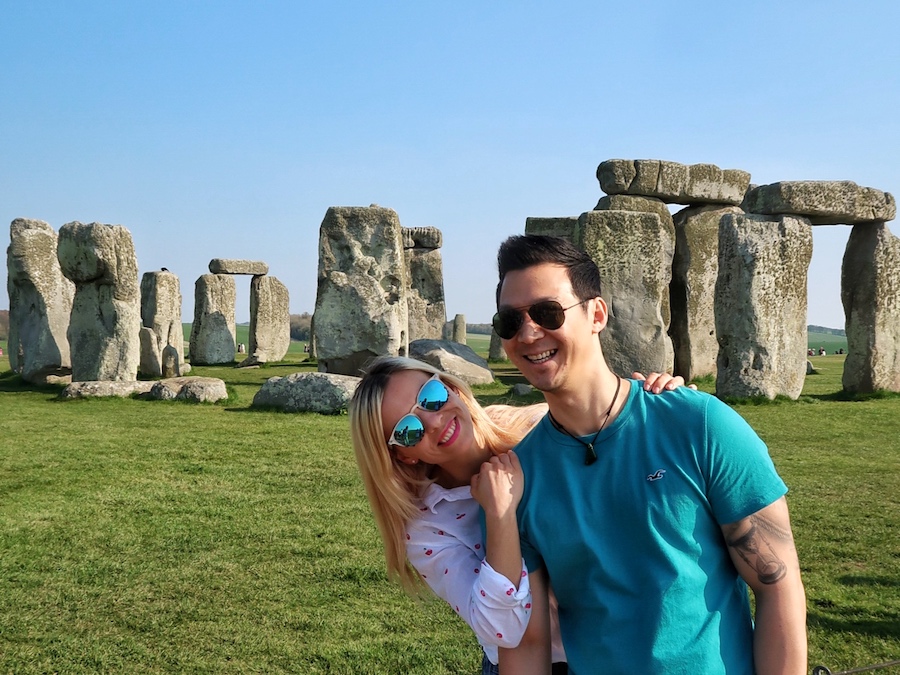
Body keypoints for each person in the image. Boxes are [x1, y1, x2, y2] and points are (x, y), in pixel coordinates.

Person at [489, 235, 807, 675]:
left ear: (596, 314)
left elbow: (777, 585)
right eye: (509, 321)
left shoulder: (699, 424)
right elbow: (528, 641)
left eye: (547, 313)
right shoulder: (519, 476)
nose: (527, 333)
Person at [349, 355, 688, 675]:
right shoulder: (427, 529)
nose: (435, 421)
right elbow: (502, 629)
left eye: (432, 396)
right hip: (542, 662)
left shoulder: (538, 428)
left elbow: (633, 453)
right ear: (402, 455)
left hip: (624, 642)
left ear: (450, 386)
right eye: (409, 429)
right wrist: (499, 515)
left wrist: (661, 403)